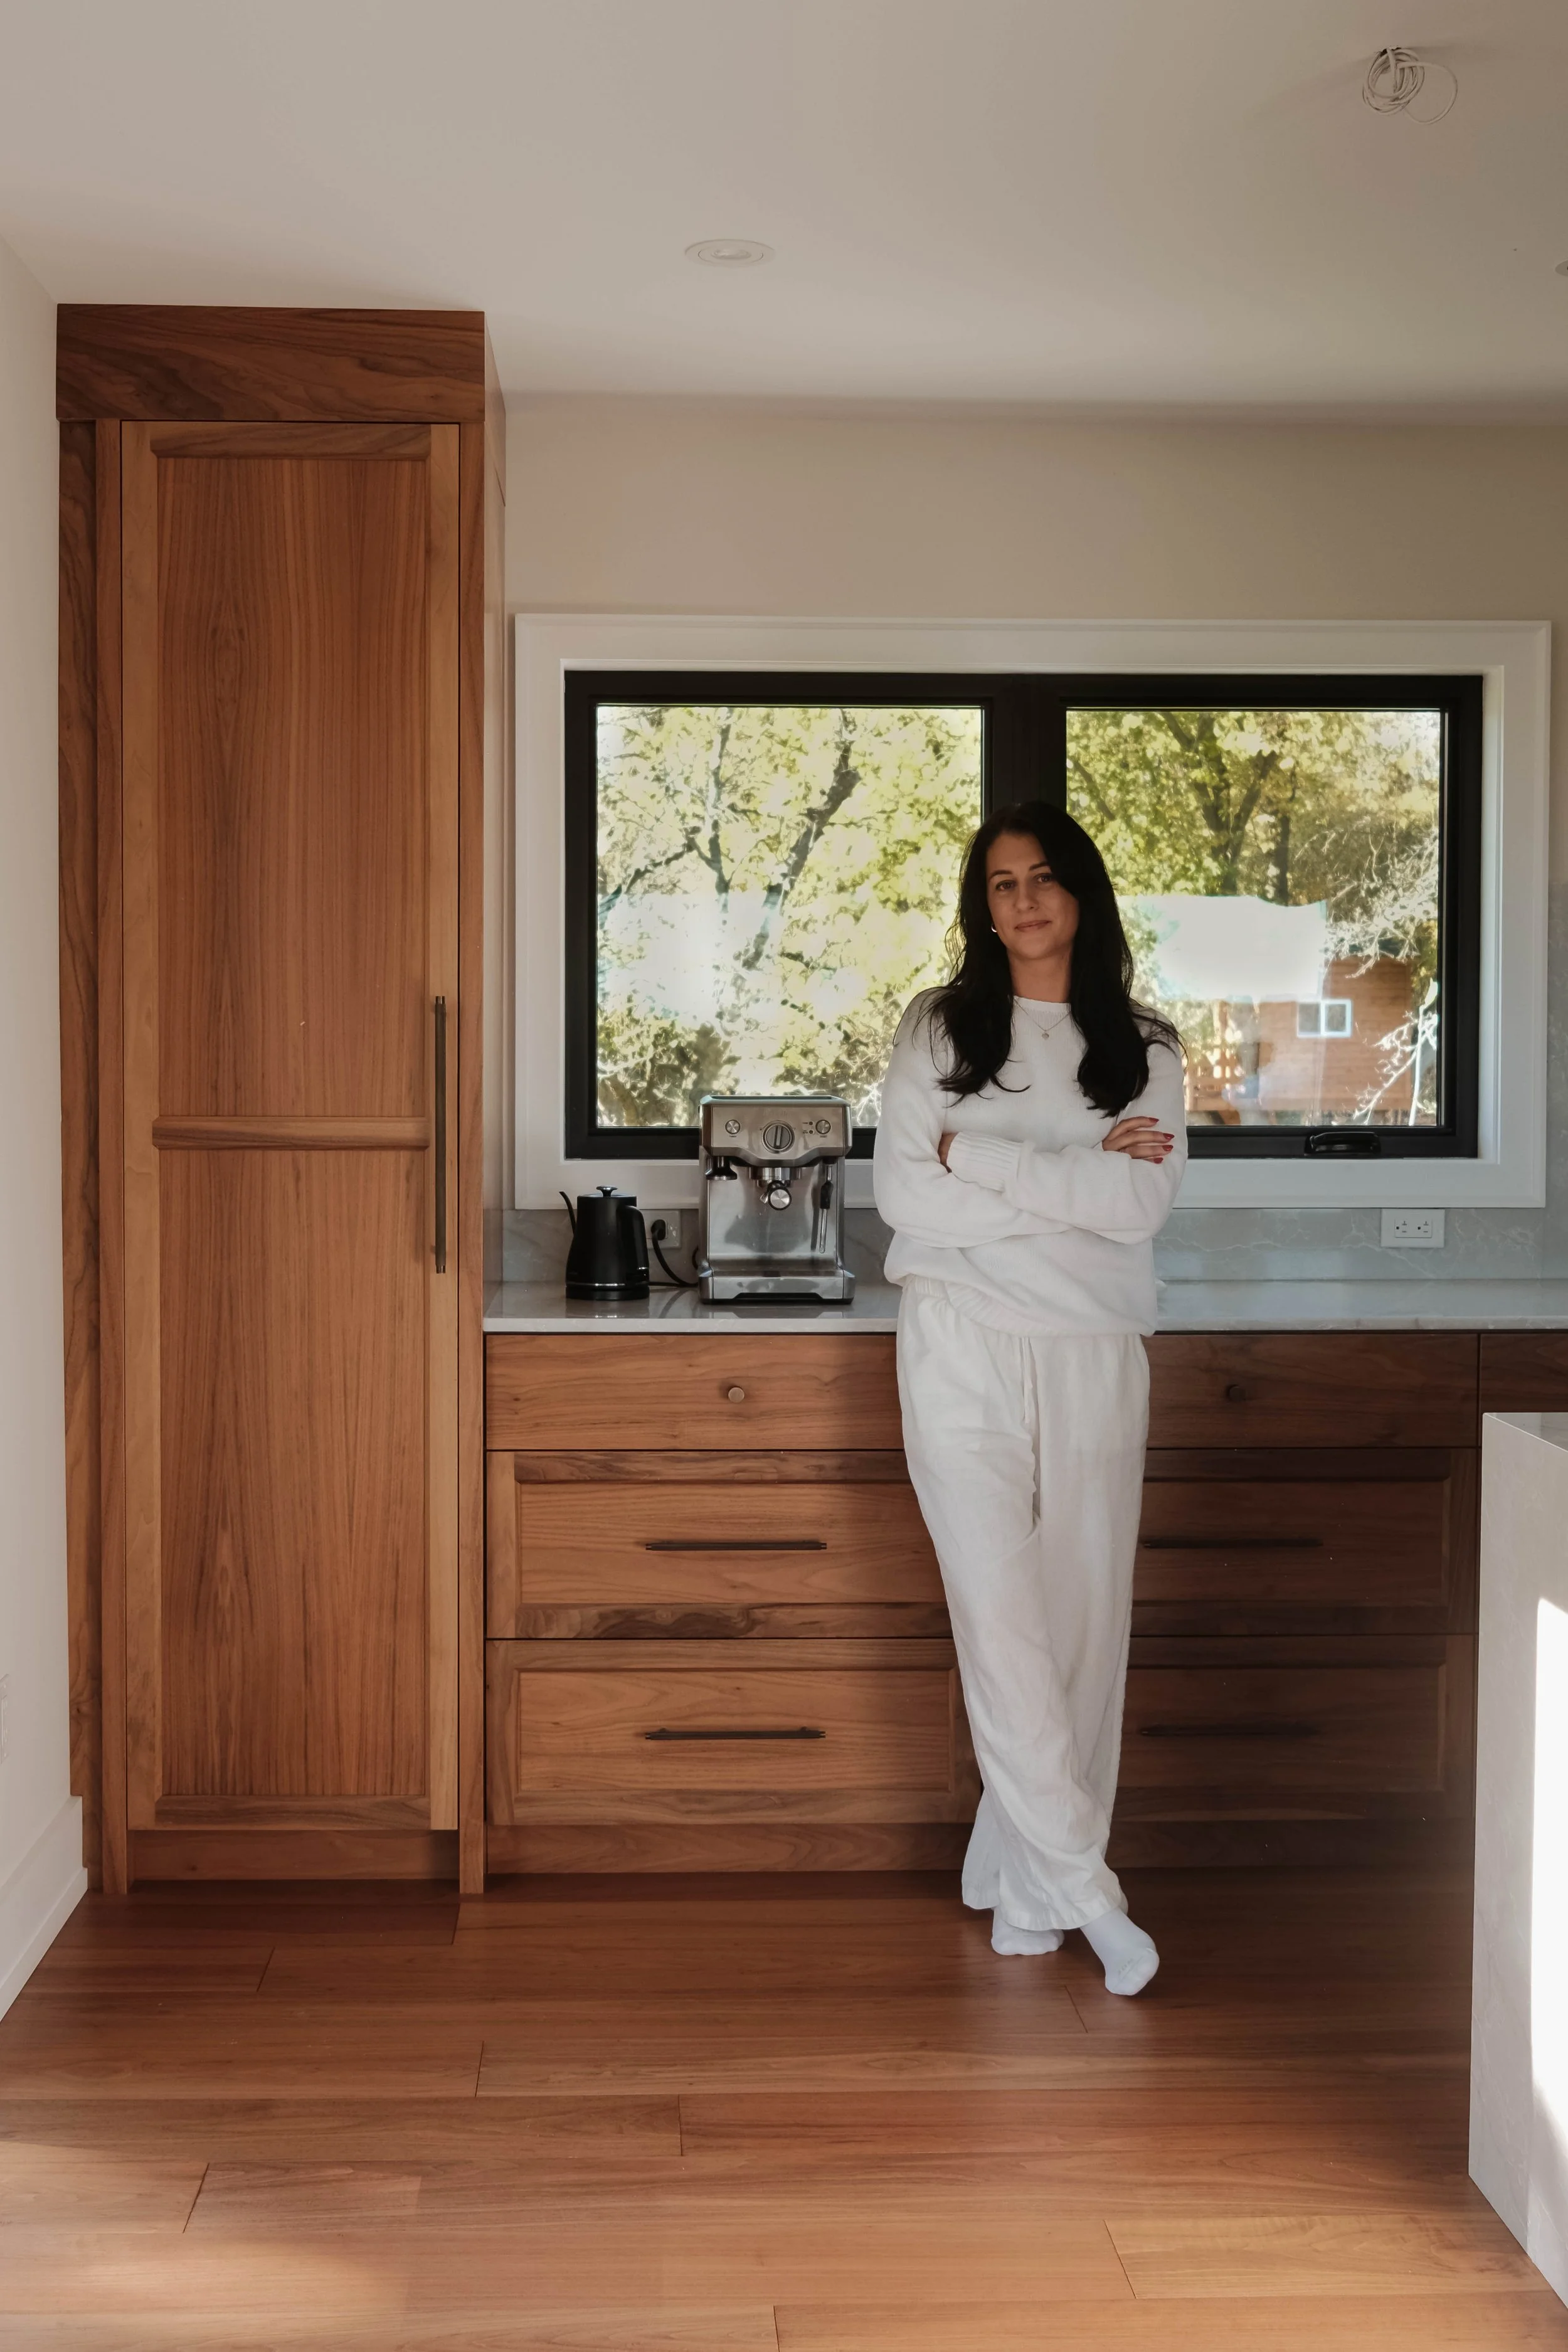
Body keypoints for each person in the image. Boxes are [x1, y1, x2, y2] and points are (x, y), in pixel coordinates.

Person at [872, 800, 1186, 1996]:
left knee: (1083, 1626)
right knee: (1000, 1619)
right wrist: (1073, 1181)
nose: (1023, 901)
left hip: (1097, 1348)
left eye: (1044, 877)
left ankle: (1026, 1879)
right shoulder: (939, 1029)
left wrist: (985, 1161)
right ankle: (1094, 1895)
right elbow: (908, 1200)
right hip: (957, 1345)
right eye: (1000, 884)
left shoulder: (1145, 1046)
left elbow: (1140, 1211)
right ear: (982, 907)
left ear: (1082, 894)